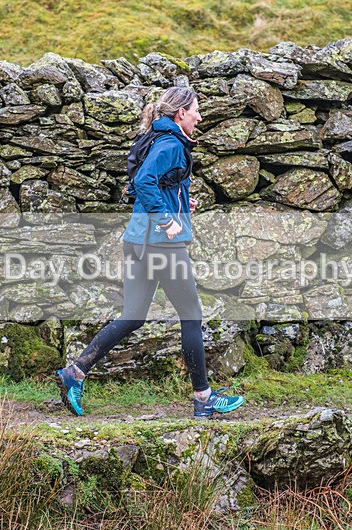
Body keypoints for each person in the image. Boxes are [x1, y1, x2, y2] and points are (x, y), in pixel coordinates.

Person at [54, 87, 244, 418]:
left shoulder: (158, 138)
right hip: (161, 246)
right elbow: (143, 182)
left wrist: (179, 201)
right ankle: (203, 398)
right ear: (181, 113)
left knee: (133, 316)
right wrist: (167, 219)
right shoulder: (171, 144)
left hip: (137, 241)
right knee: (191, 316)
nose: (200, 117)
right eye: (196, 110)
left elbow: (149, 184)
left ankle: (76, 372)